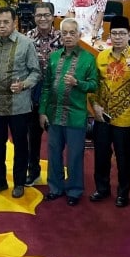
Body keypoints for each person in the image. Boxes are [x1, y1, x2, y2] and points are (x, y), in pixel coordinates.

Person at [90, 16, 130, 208]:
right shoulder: (102, 56)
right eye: (114, 34)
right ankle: (102, 189)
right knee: (101, 155)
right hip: (102, 115)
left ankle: (123, 193)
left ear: (129, 35)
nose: (118, 37)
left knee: (124, 158)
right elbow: (94, 84)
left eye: (122, 34)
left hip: (125, 118)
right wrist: (94, 105)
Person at [40, 17, 98, 207]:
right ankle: (55, 188)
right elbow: (46, 86)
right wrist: (42, 111)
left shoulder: (88, 58)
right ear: (60, 35)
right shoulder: (54, 57)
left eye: (72, 33)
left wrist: (77, 83)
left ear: (79, 35)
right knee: (54, 153)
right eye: (64, 33)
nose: (68, 36)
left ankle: (74, 190)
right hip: (54, 114)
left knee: (74, 155)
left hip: (76, 115)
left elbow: (94, 85)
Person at [0, 7, 41, 199]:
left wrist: (24, 84)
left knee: (20, 146)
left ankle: (19, 183)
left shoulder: (26, 44)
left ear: (14, 23)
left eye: (6, 22)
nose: (2, 26)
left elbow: (36, 72)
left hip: (19, 105)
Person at [26, 2, 62, 186]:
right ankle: (33, 171)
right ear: (34, 17)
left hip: (58, 93)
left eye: (46, 15)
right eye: (39, 15)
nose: (43, 19)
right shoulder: (28, 38)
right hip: (34, 92)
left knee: (57, 137)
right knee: (32, 135)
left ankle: (57, 175)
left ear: (53, 17)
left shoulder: (63, 37)